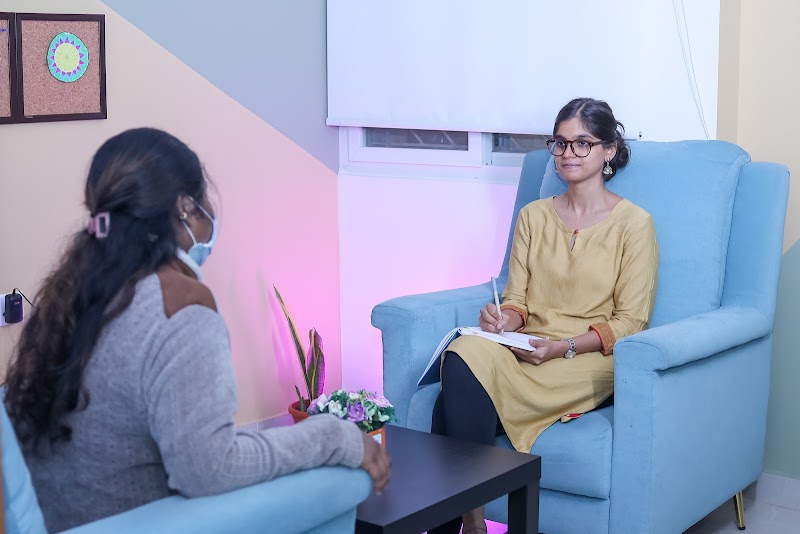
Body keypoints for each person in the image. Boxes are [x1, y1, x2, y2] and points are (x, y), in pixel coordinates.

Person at [3, 128, 391, 532]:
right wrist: (336, 437)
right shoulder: (180, 306)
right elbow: (209, 469)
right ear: (186, 208)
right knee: (342, 482)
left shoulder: (69, 294)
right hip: (154, 524)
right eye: (204, 201)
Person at [429, 98, 659, 534]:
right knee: (463, 352)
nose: (568, 153)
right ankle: (473, 522)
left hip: (588, 356)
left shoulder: (635, 224)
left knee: (447, 406)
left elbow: (631, 322)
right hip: (527, 345)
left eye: (582, 143)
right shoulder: (533, 217)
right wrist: (504, 321)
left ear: (609, 150)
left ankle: (464, 525)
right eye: (560, 143)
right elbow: (518, 300)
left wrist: (564, 346)